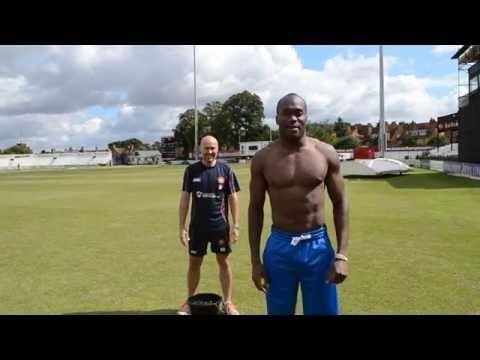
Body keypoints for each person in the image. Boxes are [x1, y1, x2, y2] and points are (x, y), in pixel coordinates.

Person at [248, 93, 349, 315]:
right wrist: (255, 261)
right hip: (279, 247)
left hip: (318, 246)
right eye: (287, 113)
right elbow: (255, 208)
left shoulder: (325, 153)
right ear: (276, 119)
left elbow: (340, 202)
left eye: (298, 113)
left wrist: (341, 254)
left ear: (306, 117)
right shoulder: (263, 158)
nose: (293, 118)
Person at [178, 135, 241, 315]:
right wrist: (181, 227)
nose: (210, 152)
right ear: (200, 150)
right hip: (197, 228)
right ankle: (189, 301)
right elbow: (184, 199)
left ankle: (228, 302)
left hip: (220, 227)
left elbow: (233, 198)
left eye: (213, 148)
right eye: (206, 148)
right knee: (194, 263)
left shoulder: (226, 170)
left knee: (224, 262)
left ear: (218, 149)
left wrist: (236, 225)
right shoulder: (191, 171)